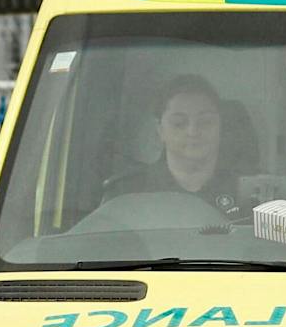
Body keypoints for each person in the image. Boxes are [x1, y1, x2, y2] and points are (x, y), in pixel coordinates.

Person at [105, 74, 249, 219]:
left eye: (205, 121)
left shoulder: (253, 193)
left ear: (220, 127)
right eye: (179, 123)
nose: (193, 132)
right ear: (160, 130)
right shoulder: (126, 193)